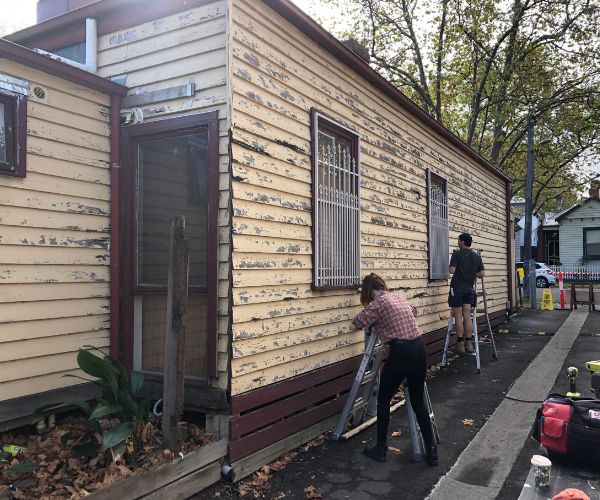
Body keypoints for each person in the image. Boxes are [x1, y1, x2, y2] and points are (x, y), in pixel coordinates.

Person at [349, 273, 438, 466]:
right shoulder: (398, 298)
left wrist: (375, 321)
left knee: (383, 399)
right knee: (417, 401)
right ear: (383, 287)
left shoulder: (377, 303)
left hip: (401, 352)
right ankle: (431, 451)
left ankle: (381, 448)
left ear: (370, 291)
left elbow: (355, 323)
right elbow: (413, 311)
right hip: (420, 349)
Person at [448, 233, 485, 354]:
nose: (458, 243)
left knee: (458, 316)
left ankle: (460, 344)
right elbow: (481, 274)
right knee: (467, 315)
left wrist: (457, 268)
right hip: (469, 289)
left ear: (463, 242)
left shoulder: (457, 254)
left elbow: (452, 270)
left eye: (458, 241)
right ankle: (469, 344)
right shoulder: (476, 257)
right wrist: (471, 271)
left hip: (457, 288)